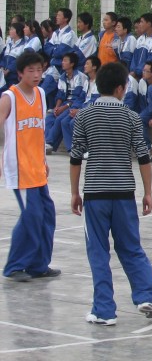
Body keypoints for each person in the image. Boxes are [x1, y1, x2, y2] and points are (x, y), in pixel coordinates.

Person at [69, 61, 152, 326]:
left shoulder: (84, 116)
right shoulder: (131, 117)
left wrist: (74, 193)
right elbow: (143, 158)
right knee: (131, 247)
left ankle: (104, 310)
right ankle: (146, 296)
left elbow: (76, 158)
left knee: (98, 252)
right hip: (123, 193)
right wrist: (148, 193)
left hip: (95, 194)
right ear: (121, 88)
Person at [1, 51, 59, 282]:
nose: (36, 74)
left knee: (47, 214)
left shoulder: (41, 94)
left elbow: (40, 131)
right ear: (20, 73)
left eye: (39, 70)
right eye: (31, 70)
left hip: (37, 166)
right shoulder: (9, 97)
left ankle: (38, 265)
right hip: (19, 168)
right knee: (31, 215)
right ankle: (15, 266)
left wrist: (44, 160)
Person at [45, 52, 88, 153]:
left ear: (72, 64)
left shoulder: (80, 76)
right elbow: (60, 95)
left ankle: (50, 143)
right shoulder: (62, 77)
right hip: (64, 103)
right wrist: (57, 107)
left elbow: (78, 96)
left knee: (60, 119)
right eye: (62, 60)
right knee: (49, 118)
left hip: (75, 103)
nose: (62, 63)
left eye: (65, 61)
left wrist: (63, 108)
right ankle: (46, 142)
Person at [61, 55, 101, 153]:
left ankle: (84, 148)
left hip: (91, 110)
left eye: (87, 64)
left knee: (73, 123)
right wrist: (73, 108)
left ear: (94, 67)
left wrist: (79, 111)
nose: (85, 66)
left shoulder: (99, 82)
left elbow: (94, 101)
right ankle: (71, 149)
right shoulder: (87, 81)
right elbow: (81, 98)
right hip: (82, 107)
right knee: (64, 122)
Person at [130, 13, 152, 80]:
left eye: (142, 22)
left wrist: (136, 72)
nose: (140, 24)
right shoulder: (140, 38)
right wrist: (133, 71)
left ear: (149, 24)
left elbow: (151, 60)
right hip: (136, 76)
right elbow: (134, 57)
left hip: (149, 78)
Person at [1, 22, 27, 90]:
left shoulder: (23, 45)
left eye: (12, 29)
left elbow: (19, 60)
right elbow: (3, 57)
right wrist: (2, 68)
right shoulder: (8, 44)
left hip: (14, 76)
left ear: (18, 31)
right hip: (4, 76)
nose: (10, 31)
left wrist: (8, 70)